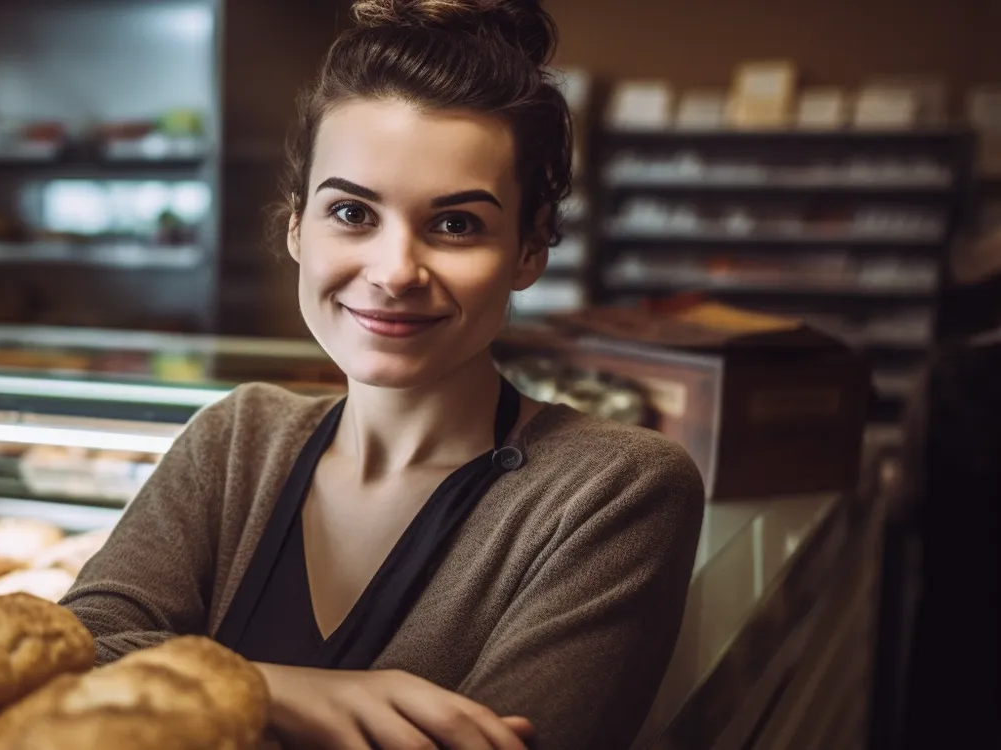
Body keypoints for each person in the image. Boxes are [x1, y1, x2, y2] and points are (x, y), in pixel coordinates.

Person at [61, 1, 706, 748]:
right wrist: (275, 689)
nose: (396, 272)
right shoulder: (238, 437)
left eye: (456, 223)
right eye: (353, 214)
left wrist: (180, 685)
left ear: (531, 250)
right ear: (297, 224)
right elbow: (72, 655)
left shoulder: (614, 490)